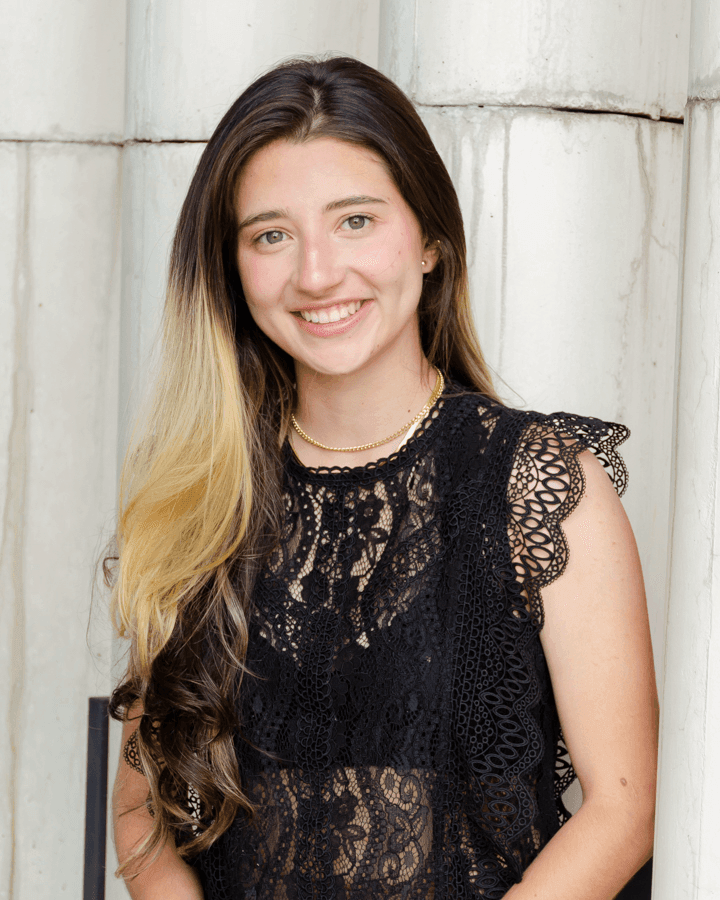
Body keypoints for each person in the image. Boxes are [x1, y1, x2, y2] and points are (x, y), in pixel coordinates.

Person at [109, 56, 658, 900]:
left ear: (431, 240)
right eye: (271, 235)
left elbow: (623, 807)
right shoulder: (200, 498)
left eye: (356, 220)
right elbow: (142, 811)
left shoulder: (539, 485)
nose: (318, 273)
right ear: (231, 269)